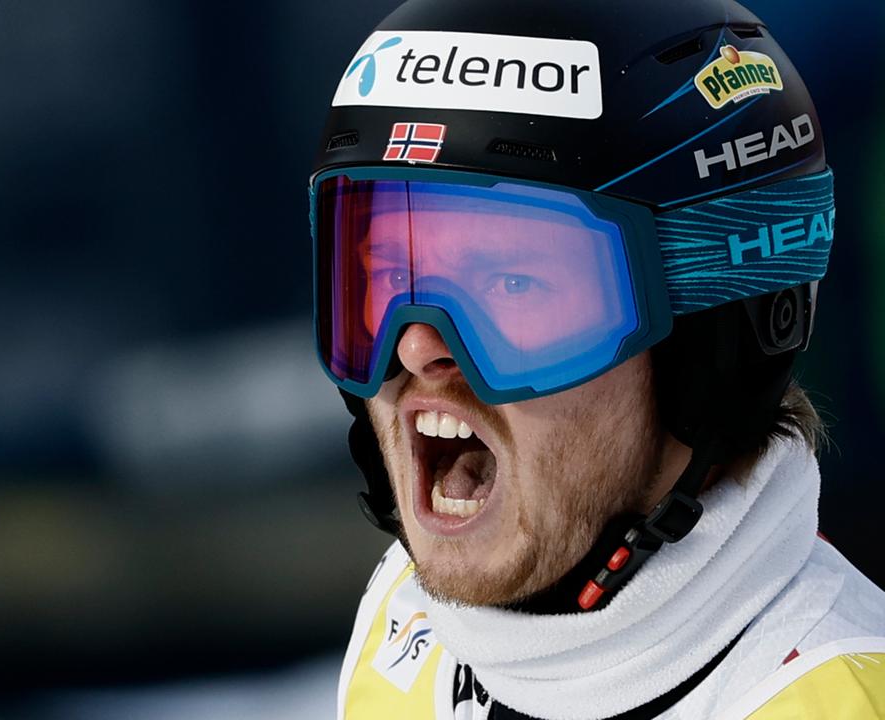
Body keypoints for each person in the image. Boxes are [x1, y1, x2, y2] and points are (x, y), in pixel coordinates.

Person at [308, 1, 885, 718]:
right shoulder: (402, 634)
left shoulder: (833, 702)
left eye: (512, 285)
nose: (418, 346)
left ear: (707, 356)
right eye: (392, 275)